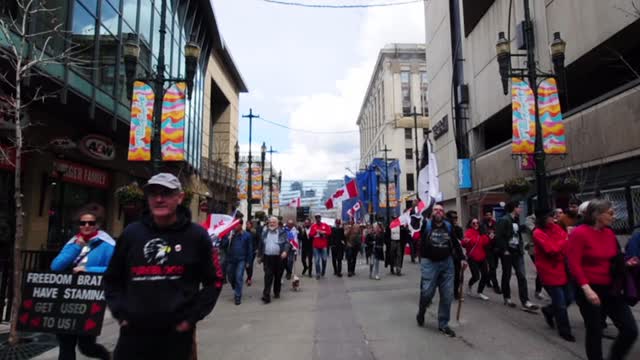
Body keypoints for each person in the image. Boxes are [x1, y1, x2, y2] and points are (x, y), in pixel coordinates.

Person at [104, 173, 223, 360]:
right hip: (133, 336)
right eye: (153, 194)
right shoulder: (131, 234)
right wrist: (121, 314)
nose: (159, 199)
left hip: (175, 338)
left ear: (180, 198)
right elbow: (112, 278)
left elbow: (214, 281)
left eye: (166, 193)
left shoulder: (196, 236)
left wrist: (190, 318)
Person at [569, 199, 638, 360]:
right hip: (589, 288)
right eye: (610, 213)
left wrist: (626, 264)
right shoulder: (579, 233)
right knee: (595, 330)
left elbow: (613, 258)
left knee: (630, 330)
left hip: (611, 288)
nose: (614, 217)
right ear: (597, 215)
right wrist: (586, 289)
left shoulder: (608, 233)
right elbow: (574, 264)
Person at [50, 203, 114, 360]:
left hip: (89, 301)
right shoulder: (73, 242)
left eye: (91, 223)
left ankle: (107, 357)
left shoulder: (107, 245)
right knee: (65, 344)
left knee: (86, 346)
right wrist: (76, 247)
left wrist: (89, 270)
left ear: (97, 225)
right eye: (82, 223)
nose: (86, 226)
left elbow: (115, 270)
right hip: (66, 299)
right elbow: (56, 266)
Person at [416, 204, 465, 337]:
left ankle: (443, 324)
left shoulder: (448, 226)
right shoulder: (426, 224)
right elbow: (417, 230)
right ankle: (421, 311)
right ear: (432, 213)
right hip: (429, 263)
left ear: (443, 213)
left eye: (441, 210)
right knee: (427, 293)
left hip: (446, 263)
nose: (438, 212)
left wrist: (462, 258)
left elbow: (455, 243)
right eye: (436, 210)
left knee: (447, 295)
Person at [533, 209, 575, 342]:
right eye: (550, 216)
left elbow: (565, 241)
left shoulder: (555, 227)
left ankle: (549, 311)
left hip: (562, 268)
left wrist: (562, 242)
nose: (553, 218)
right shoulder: (538, 232)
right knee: (561, 303)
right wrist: (563, 241)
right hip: (549, 271)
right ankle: (564, 330)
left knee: (569, 298)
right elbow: (551, 250)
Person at [495, 201, 538, 311]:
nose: (521, 209)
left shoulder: (516, 220)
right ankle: (507, 297)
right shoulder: (504, 220)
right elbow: (499, 236)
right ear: (514, 208)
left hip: (517, 252)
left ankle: (525, 301)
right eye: (519, 207)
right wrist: (504, 250)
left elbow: (517, 234)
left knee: (522, 276)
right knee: (507, 275)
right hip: (508, 252)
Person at [258, 216, 291, 303]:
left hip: (279, 258)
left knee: (277, 276)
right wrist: (259, 256)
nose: (272, 224)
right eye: (270, 222)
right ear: (268, 223)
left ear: (277, 224)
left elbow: (287, 243)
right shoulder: (264, 232)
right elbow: (261, 244)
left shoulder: (282, 232)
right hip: (267, 258)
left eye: (274, 222)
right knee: (268, 276)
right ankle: (266, 295)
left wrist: (285, 251)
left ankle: (277, 291)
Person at [220, 220, 253, 305]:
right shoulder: (229, 234)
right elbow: (222, 245)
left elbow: (250, 249)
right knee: (230, 276)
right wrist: (228, 239)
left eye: (236, 225)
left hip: (241, 259)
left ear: (241, 225)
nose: (234, 227)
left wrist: (249, 261)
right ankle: (235, 286)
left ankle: (237, 296)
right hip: (230, 259)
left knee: (239, 277)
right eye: (233, 225)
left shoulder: (247, 235)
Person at [461, 218, 491, 301]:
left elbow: (486, 242)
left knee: (485, 275)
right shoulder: (468, 232)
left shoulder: (482, 232)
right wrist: (465, 241)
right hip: (472, 257)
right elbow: (463, 244)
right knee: (476, 276)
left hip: (482, 257)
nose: (476, 224)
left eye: (477, 223)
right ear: (470, 224)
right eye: (473, 223)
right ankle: (470, 285)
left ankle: (480, 292)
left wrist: (487, 236)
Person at [523, 213, 546, 301]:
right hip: (533, 249)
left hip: (544, 247)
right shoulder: (530, 220)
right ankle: (538, 291)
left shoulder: (547, 218)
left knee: (544, 270)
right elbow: (534, 230)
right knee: (541, 270)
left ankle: (546, 290)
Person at [481, 211, 501, 294]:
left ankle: (487, 279)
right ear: (485, 216)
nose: (489, 216)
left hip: (495, 248)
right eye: (487, 215)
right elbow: (481, 235)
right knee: (492, 266)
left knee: (495, 266)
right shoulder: (482, 225)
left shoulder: (496, 224)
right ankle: (496, 286)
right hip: (487, 249)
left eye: (490, 215)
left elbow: (499, 234)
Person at [446, 211, 464, 300]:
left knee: (457, 274)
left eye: (456, 217)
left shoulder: (458, 229)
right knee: (447, 275)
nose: (455, 219)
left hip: (456, 255)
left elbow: (460, 242)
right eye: (453, 218)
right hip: (446, 255)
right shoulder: (445, 228)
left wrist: (462, 257)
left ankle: (455, 292)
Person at [309, 214, 332, 279]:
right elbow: (310, 234)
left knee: (324, 259)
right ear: (315, 219)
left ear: (320, 218)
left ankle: (323, 270)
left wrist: (323, 232)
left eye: (319, 218)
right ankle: (318, 273)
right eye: (316, 218)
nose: (318, 219)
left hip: (323, 246)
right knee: (316, 260)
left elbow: (330, 232)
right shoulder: (313, 226)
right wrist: (316, 232)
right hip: (316, 246)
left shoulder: (325, 225)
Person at [244, 221, 258, 286]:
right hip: (246, 250)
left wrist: (257, 249)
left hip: (253, 250)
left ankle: (249, 278)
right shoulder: (244, 232)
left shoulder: (254, 232)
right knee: (247, 265)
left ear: (251, 225)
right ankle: (248, 276)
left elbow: (258, 240)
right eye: (246, 224)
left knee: (250, 264)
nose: (247, 225)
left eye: (248, 224)